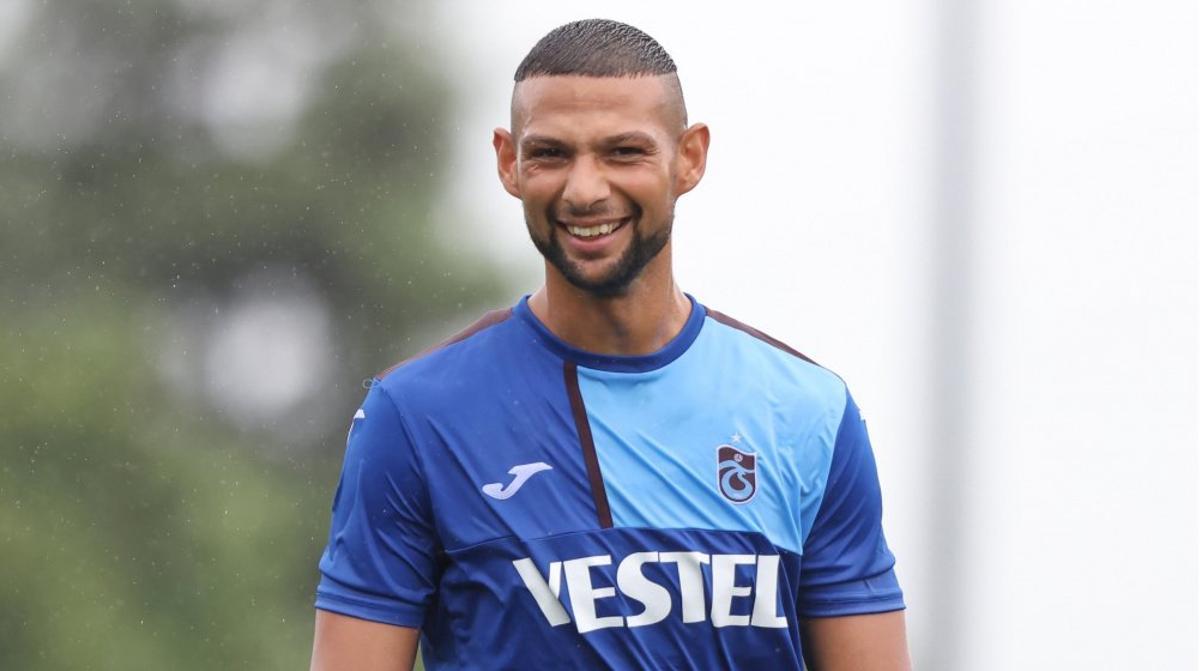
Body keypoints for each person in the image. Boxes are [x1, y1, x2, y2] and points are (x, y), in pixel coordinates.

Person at [310, 18, 909, 670]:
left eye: (624, 151)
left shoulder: (808, 413)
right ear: (508, 162)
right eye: (551, 154)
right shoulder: (416, 416)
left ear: (691, 157)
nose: (585, 188)